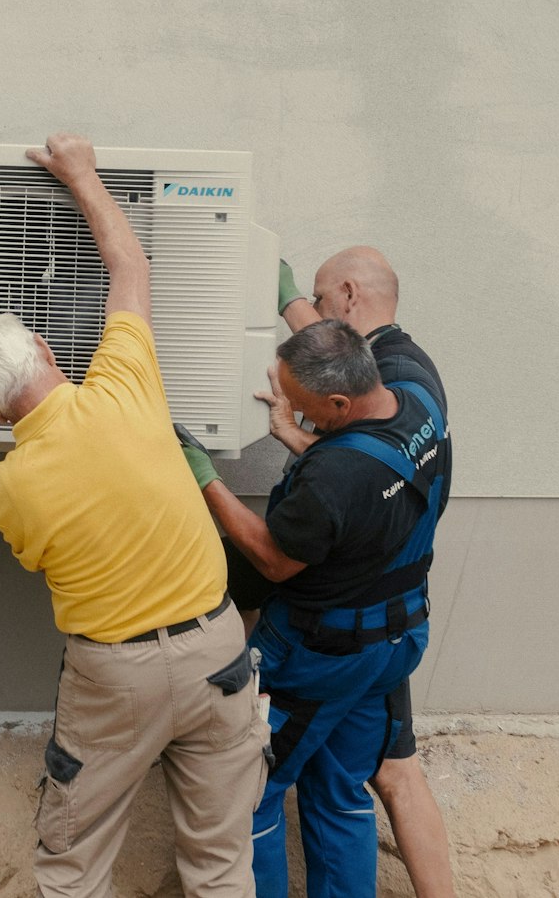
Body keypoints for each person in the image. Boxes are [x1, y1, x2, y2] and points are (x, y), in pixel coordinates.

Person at [0, 133, 263, 898]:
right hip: (219, 647)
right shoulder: (127, 380)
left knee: (74, 863)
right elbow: (131, 265)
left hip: (116, 676)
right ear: (48, 349)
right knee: (223, 863)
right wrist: (81, 173)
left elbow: (42, 558)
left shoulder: (8, 488)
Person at [197, 320, 449, 898]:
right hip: (394, 640)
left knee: (249, 791)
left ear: (338, 402)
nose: (287, 407)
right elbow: (365, 480)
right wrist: (295, 432)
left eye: (297, 401)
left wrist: (205, 477)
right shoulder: (417, 402)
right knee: (339, 791)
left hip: (320, 655)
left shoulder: (332, 477)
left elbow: (272, 559)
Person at [269, 248, 456, 898]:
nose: (316, 315)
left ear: (348, 295)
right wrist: (290, 301)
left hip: (333, 639)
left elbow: (281, 551)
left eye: (321, 301)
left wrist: (213, 474)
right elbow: (336, 360)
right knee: (357, 781)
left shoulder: (342, 467)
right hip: (395, 625)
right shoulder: (416, 381)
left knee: (255, 789)